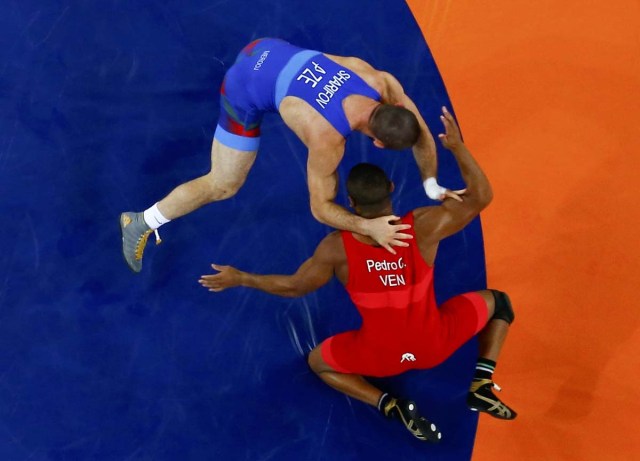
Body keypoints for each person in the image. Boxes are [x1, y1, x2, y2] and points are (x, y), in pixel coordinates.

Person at [198, 107, 517, 442]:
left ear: (350, 202)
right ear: (392, 187)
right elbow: (482, 197)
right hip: (436, 344)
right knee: (499, 303)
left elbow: (294, 287)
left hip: (379, 357)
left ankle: (389, 404)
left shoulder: (337, 249)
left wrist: (241, 278)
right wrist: (456, 147)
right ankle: (482, 381)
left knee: (319, 363)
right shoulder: (422, 228)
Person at [120, 37, 463, 272]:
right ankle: (141, 222)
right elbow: (320, 207)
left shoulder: (377, 79)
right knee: (223, 184)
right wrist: (367, 226)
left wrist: (432, 186)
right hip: (243, 87)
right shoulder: (327, 138)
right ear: (379, 144)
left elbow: (418, 133)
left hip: (265, 49)